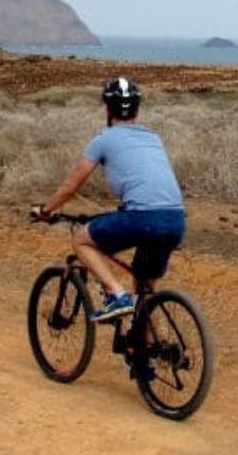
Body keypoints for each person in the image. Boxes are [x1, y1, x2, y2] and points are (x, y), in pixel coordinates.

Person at [31, 77, 186, 322]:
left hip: (141, 218)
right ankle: (144, 354)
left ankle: (116, 293)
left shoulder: (103, 139)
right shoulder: (153, 137)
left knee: (82, 240)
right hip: (175, 219)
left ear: (107, 109)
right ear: (137, 110)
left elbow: (71, 186)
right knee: (145, 287)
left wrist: (46, 210)